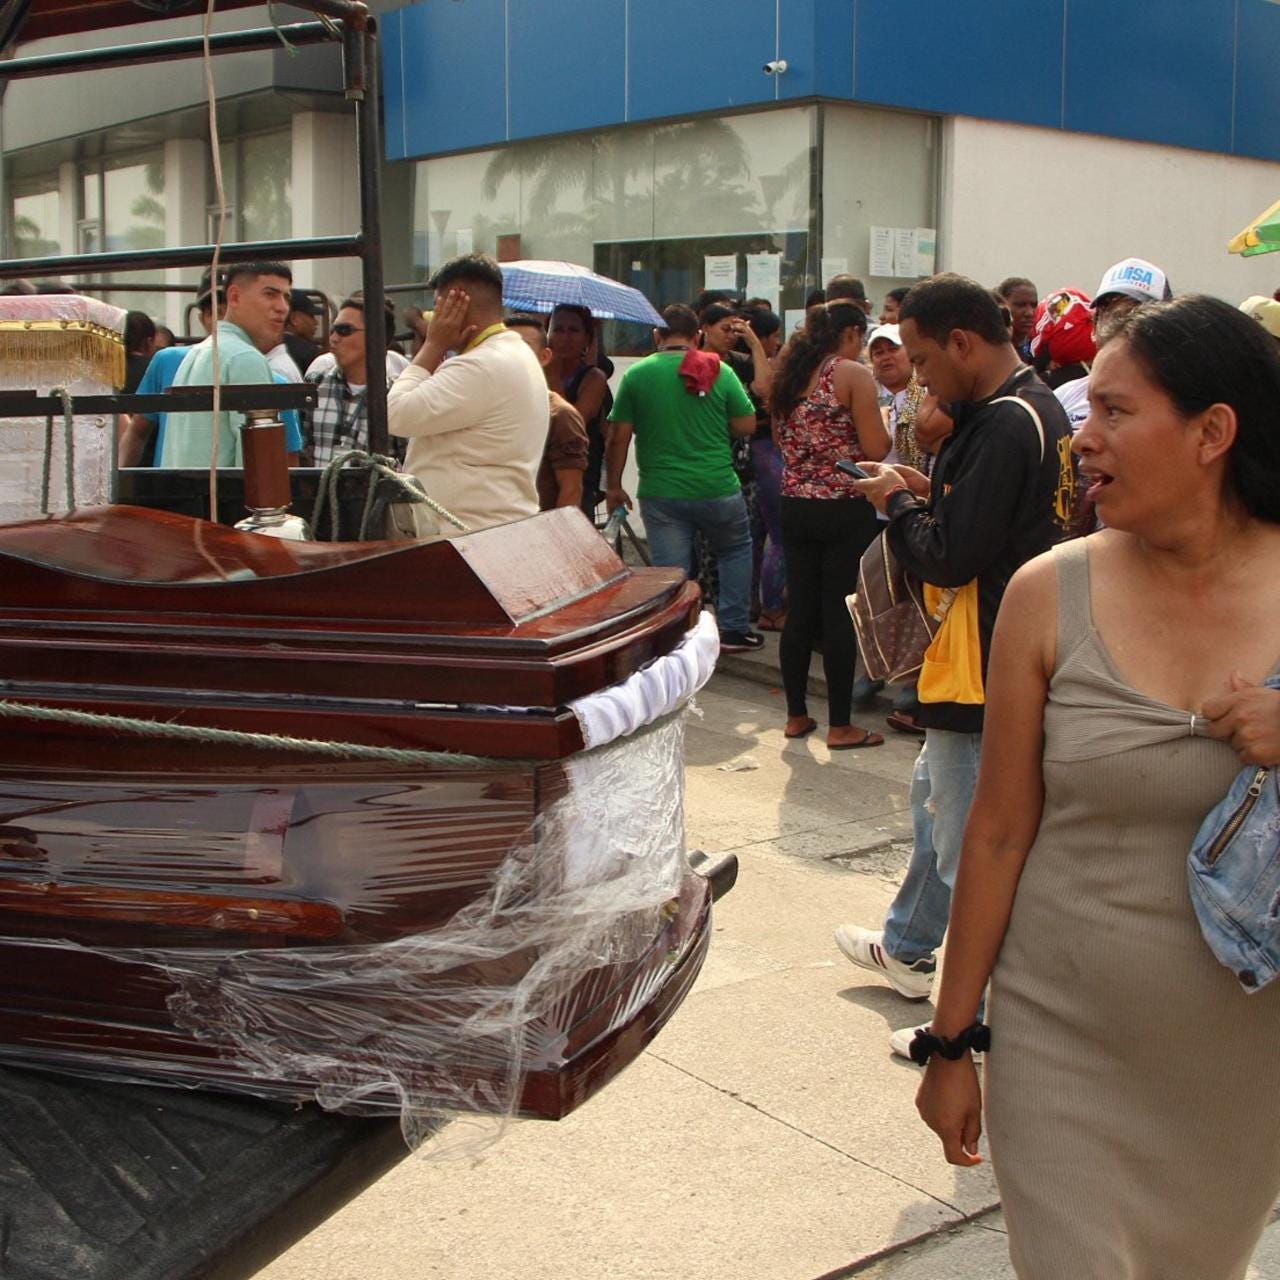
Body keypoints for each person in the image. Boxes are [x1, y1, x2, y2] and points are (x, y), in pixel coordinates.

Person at [913, 294, 1280, 1279]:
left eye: (1115, 411)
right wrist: (950, 1041)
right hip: (1059, 1043)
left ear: (1211, 432)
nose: (1084, 437)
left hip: (1245, 1066)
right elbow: (995, 832)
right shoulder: (1048, 591)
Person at [834, 274, 1074, 1045]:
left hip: (983, 666)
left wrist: (896, 505)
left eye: (922, 360)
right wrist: (926, 488)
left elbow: (951, 555)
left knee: (972, 856)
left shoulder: (1002, 424)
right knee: (933, 806)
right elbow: (995, 521)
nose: (920, 380)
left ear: (963, 343)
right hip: (1001, 656)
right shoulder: (1036, 406)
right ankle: (909, 948)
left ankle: (974, 1030)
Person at [604, 303, 762, 652]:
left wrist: (613, 486)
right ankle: (734, 630)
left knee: (671, 570)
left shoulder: (637, 375)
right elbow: (746, 424)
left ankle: (675, 636)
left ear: (656, 336)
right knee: (734, 550)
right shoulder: (720, 370)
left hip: (662, 492)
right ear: (698, 336)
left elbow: (618, 437)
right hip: (718, 486)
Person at [771, 304, 890, 748]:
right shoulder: (851, 374)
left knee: (800, 610)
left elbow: (781, 440)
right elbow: (876, 447)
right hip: (843, 506)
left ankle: (796, 715)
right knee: (839, 611)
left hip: (794, 504)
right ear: (852, 332)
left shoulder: (788, 374)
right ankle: (841, 725)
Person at [387, 252, 547, 534]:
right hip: (492, 531)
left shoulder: (481, 364)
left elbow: (394, 414)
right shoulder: (514, 352)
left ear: (455, 303)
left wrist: (433, 345)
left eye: (438, 306)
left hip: (467, 536)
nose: (433, 317)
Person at [159, 262, 298, 468]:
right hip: (221, 490)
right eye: (270, 294)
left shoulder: (199, 352)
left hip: (187, 488)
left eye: (286, 297)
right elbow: (258, 472)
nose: (282, 307)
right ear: (234, 297)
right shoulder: (244, 358)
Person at [1055, 256, 1172, 433]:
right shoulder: (1062, 400)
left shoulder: (1180, 404)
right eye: (1109, 312)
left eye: (1135, 314)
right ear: (1094, 325)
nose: (1118, 325)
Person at [302, 296, 407, 466]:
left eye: (344, 330)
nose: (334, 338)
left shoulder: (396, 397)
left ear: (376, 337)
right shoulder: (314, 386)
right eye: (332, 330)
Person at [507, 315, 590, 510]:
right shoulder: (483, 404)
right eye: (503, 347)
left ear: (544, 357)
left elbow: (571, 491)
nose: (511, 355)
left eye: (524, 348)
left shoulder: (560, 415)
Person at [546, 303, 611, 514]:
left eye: (574, 330)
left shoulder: (594, 378)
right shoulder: (534, 372)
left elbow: (575, 423)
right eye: (558, 329)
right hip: (539, 474)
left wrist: (554, 378)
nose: (565, 337)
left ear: (586, 339)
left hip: (578, 477)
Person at [745, 308, 786, 631]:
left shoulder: (727, 363)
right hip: (764, 454)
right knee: (778, 536)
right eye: (774, 337)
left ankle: (752, 604)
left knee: (754, 536)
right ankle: (771, 609)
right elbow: (765, 391)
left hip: (746, 457)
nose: (778, 343)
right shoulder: (757, 367)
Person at [284, 289, 324, 376]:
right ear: (294, 319)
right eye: (311, 315)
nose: (316, 322)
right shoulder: (310, 352)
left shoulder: (265, 347)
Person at [995, 276, 1038, 358]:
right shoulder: (989, 349)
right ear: (1002, 306)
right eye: (1020, 305)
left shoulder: (1041, 349)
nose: (1029, 313)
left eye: (1034, 305)